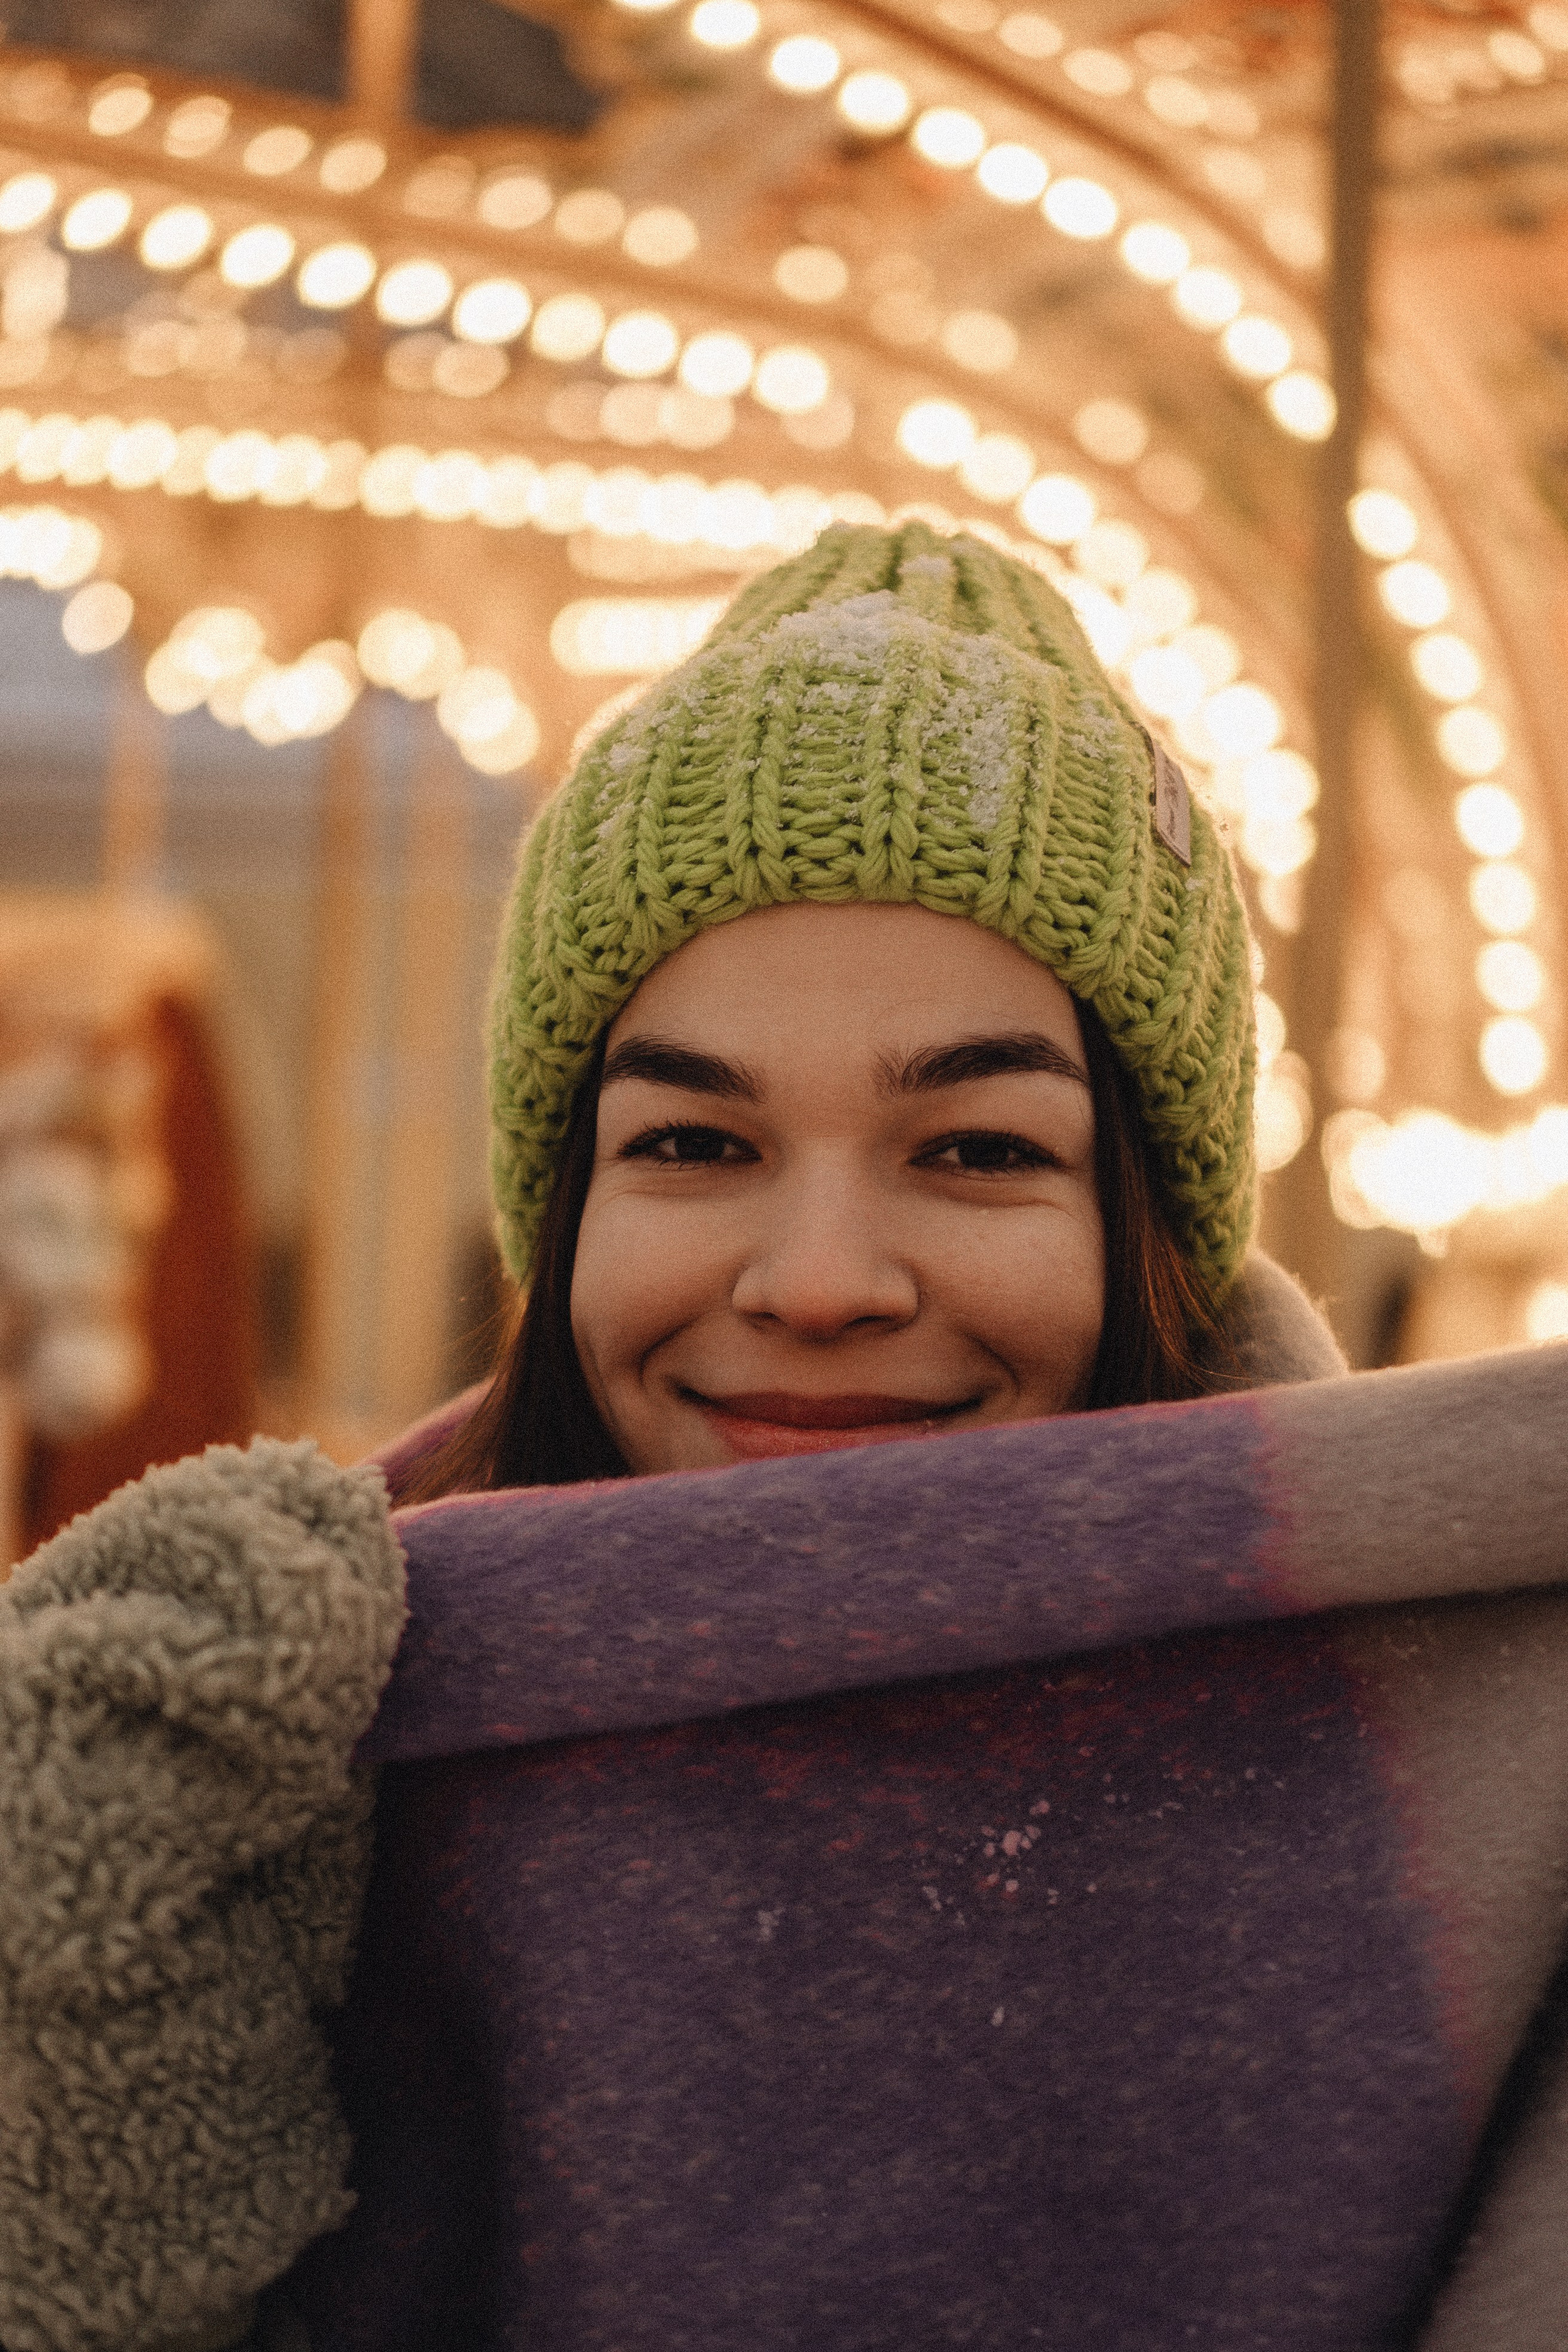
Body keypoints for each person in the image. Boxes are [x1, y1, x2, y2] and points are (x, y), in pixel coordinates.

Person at [5, 524, 1568, 2352]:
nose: (819, 1281)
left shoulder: (1486, 1784)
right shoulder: (248, 1771)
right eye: (693, 1143)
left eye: (979, 1149)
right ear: (565, 1205)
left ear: (1140, 1224)